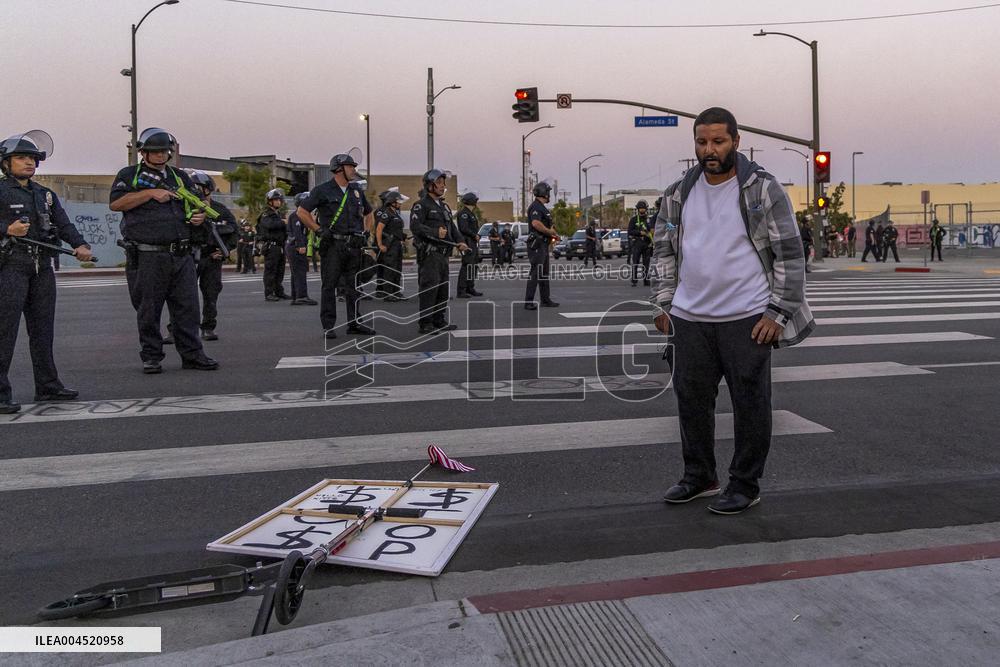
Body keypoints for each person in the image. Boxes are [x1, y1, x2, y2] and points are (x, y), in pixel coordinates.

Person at [652, 107, 814, 515]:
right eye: (702, 142)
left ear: (736, 142)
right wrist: (663, 303)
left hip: (747, 318)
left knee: (750, 405)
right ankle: (699, 477)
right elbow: (663, 251)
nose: (710, 150)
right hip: (689, 318)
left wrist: (777, 313)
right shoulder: (677, 193)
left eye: (718, 141)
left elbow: (790, 256)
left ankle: (745, 484)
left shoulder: (762, 189)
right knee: (690, 401)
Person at [109, 128, 218, 374]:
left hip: (181, 253)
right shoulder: (129, 175)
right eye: (154, 152)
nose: (160, 156)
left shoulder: (178, 177)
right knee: (149, 308)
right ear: (143, 153)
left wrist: (198, 217)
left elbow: (193, 203)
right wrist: (149, 194)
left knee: (188, 308)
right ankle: (151, 356)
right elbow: (116, 203)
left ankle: (192, 354)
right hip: (148, 254)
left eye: (164, 151)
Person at [0, 130, 93, 413]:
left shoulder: (46, 195)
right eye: (21, 158)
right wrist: (6, 229)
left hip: (42, 267)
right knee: (5, 332)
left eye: (32, 158)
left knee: (43, 331)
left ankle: (48, 386)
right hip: (11, 266)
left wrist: (80, 244)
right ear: (6, 162)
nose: (29, 162)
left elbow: (63, 224)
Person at [295, 153, 376, 339]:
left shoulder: (356, 190)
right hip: (332, 245)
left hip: (353, 245)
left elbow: (369, 213)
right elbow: (301, 211)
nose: (354, 170)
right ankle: (328, 325)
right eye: (351, 167)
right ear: (339, 169)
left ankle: (354, 323)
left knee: (353, 286)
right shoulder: (322, 190)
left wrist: (365, 233)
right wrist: (317, 230)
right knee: (329, 285)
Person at [410, 169, 468, 334]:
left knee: (442, 289)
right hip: (430, 255)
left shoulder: (444, 206)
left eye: (444, 183)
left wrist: (461, 241)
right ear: (430, 185)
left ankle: (439, 319)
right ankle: (426, 323)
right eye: (439, 183)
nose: (443, 186)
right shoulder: (421, 205)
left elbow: (452, 228)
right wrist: (435, 233)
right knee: (430, 289)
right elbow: (415, 227)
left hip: (443, 255)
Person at [186, 170, 238, 340]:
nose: (197, 191)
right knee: (183, 295)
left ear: (208, 189)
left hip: (210, 256)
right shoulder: (185, 207)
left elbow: (233, 231)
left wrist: (225, 250)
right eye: (193, 187)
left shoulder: (220, 210)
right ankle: (176, 329)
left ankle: (208, 327)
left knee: (211, 293)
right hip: (189, 256)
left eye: (200, 187)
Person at [523, 182, 560, 310]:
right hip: (537, 244)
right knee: (536, 273)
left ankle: (545, 299)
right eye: (548, 192)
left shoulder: (542, 207)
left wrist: (554, 235)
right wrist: (550, 232)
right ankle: (528, 301)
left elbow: (546, 225)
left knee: (543, 273)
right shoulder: (536, 207)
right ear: (543, 192)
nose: (549, 194)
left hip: (543, 243)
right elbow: (536, 223)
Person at [374, 189, 408, 301]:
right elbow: (379, 229)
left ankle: (396, 291)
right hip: (390, 245)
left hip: (397, 245)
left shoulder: (395, 213)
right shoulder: (386, 213)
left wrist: (402, 237)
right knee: (390, 269)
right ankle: (388, 293)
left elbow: (395, 229)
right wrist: (380, 244)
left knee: (397, 269)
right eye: (398, 201)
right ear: (392, 202)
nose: (400, 203)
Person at [258, 189, 289, 301]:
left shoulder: (278, 214)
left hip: (280, 246)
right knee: (270, 270)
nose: (278, 202)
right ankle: (269, 293)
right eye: (276, 200)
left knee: (280, 270)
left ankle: (279, 291)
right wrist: (283, 222)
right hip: (271, 246)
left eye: (279, 200)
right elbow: (269, 225)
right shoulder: (266, 214)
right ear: (270, 201)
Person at [287, 192, 316, 305]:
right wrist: (301, 245)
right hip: (296, 247)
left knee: (296, 272)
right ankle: (301, 296)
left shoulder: (300, 215)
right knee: (300, 271)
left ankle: (296, 295)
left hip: (294, 246)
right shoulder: (297, 215)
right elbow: (297, 231)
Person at [455, 192, 484, 298]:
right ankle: (461, 290)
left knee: (473, 266)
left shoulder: (471, 213)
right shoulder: (463, 213)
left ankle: (470, 288)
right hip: (467, 242)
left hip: (472, 242)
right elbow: (463, 228)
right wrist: (474, 235)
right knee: (466, 266)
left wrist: (477, 235)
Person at [628, 200, 654, 286]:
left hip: (647, 244)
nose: (642, 210)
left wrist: (651, 241)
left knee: (646, 264)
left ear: (646, 209)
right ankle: (634, 281)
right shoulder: (633, 219)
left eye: (643, 208)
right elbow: (630, 231)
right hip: (637, 243)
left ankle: (646, 280)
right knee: (635, 262)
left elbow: (652, 231)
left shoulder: (649, 220)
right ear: (638, 209)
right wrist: (640, 233)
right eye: (640, 208)